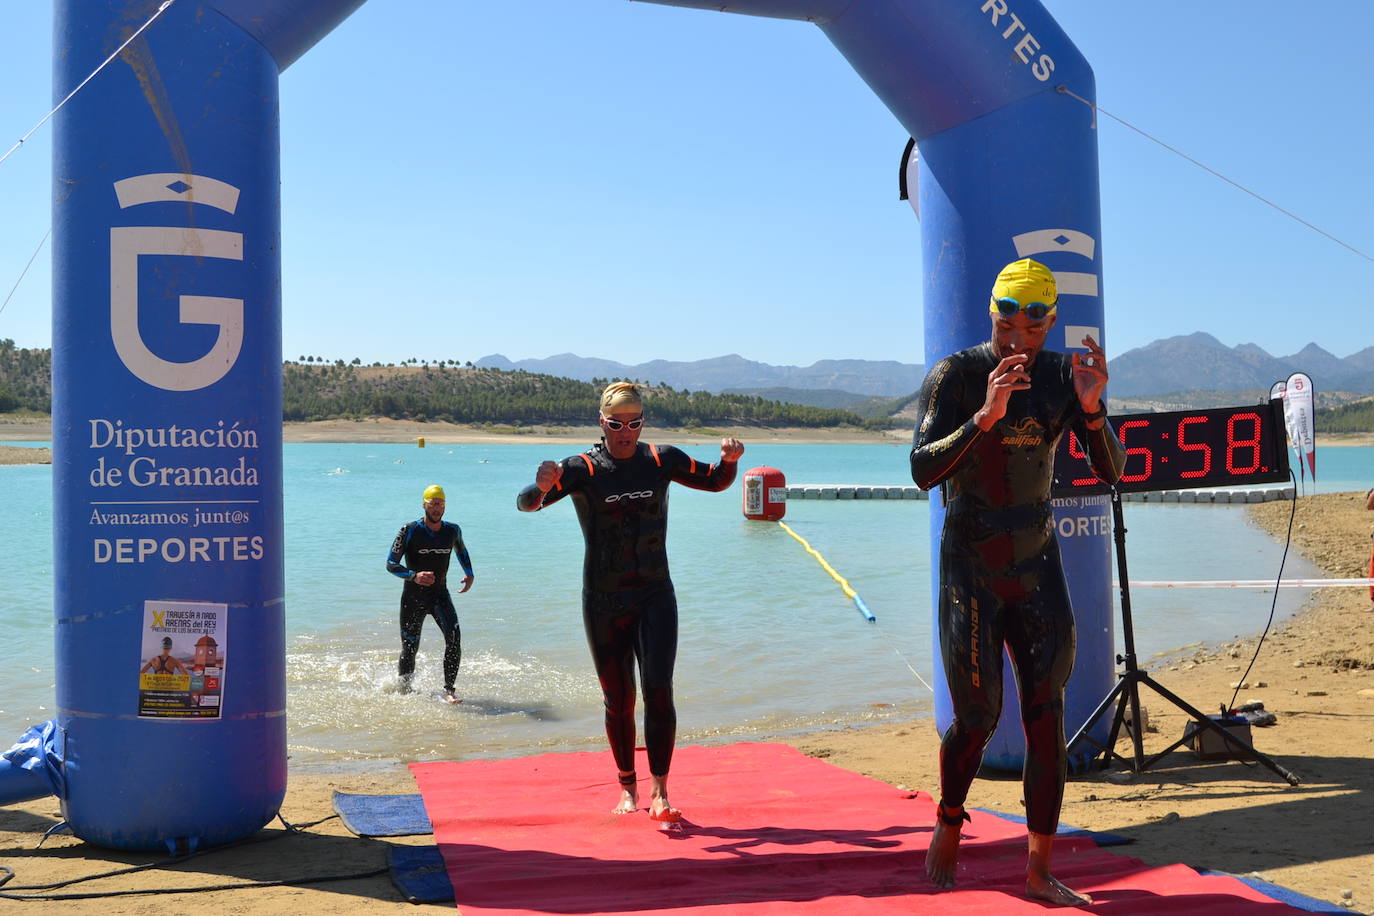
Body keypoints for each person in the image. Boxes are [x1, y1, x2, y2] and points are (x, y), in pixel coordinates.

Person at [910, 258, 1125, 907]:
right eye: (1008, 315)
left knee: (1044, 715)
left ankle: (1038, 869)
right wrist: (983, 416)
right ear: (992, 313)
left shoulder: (1065, 375)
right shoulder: (957, 374)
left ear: (1051, 322)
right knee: (976, 717)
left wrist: (1090, 411)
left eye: (1033, 320)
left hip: (1035, 559)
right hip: (970, 559)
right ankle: (950, 819)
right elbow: (922, 470)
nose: (1018, 332)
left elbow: (1112, 470)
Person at [517, 381, 743, 822]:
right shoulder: (579, 468)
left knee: (659, 690)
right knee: (618, 699)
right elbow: (527, 505)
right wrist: (540, 486)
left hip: (655, 592)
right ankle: (627, 787)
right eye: (617, 423)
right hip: (603, 600)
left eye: (634, 422)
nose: (626, 431)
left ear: (643, 423)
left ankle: (661, 790)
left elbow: (715, 482)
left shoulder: (661, 460)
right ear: (601, 422)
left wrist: (729, 462)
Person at [386, 484, 475, 704]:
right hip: (413, 598)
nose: (437, 508)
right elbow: (391, 564)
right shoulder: (409, 530)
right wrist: (413, 575)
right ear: (424, 504)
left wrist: (469, 573)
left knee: (454, 640)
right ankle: (404, 691)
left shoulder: (452, 530)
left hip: (439, 596)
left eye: (441, 504)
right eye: (433, 503)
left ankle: (449, 691)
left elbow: (461, 550)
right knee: (410, 648)